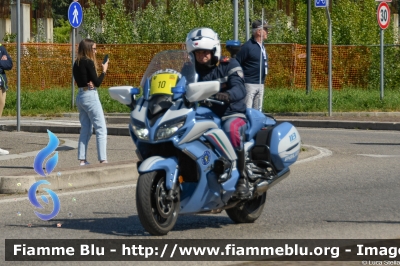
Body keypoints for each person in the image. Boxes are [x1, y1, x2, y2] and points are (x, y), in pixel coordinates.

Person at [185, 27, 250, 198]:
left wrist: (228, 94)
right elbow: (176, 85)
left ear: (214, 50)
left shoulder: (229, 65)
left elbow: (240, 88)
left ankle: (242, 178)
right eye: (197, 52)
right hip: (205, 112)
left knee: (231, 131)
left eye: (205, 52)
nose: (201, 56)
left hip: (230, 112)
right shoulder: (190, 69)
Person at [73, 38, 109, 166]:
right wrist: (104, 70)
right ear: (88, 49)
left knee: (86, 129)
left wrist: (90, 82)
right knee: (101, 128)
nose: (95, 51)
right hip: (90, 96)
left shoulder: (76, 63)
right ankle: (103, 160)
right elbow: (97, 83)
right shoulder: (89, 62)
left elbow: (81, 79)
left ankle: (82, 159)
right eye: (94, 48)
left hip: (80, 96)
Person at [236, 19, 271, 111]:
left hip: (260, 83)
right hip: (249, 84)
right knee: (247, 110)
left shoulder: (262, 46)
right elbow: (236, 63)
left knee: (257, 112)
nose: (268, 32)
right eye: (266, 29)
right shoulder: (247, 47)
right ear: (259, 31)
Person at [0, 43, 13, 155]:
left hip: (2, 84)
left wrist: (2, 62)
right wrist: (1, 61)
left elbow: (9, 64)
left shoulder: (1, 47)